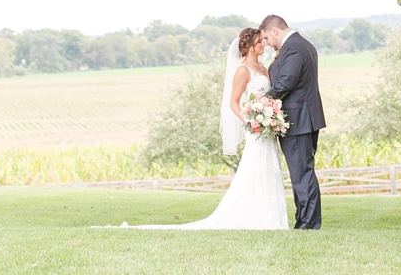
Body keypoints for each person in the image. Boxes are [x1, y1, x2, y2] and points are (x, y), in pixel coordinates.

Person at [128, 27, 287, 229]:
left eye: (262, 42)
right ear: (248, 48)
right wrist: (250, 120)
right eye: (258, 43)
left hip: (267, 128)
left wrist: (271, 113)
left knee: (270, 169)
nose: (262, 45)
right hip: (255, 129)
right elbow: (233, 102)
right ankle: (254, 218)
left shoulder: (263, 68)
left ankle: (272, 219)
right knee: (255, 170)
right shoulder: (243, 70)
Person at [261, 14, 325, 230]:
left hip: (299, 120)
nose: (267, 44)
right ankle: (303, 220)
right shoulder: (302, 45)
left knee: (302, 173)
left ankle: (309, 224)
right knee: (301, 172)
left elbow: (286, 82)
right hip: (304, 118)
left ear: (274, 31)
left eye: (267, 39)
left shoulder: (295, 48)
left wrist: (261, 103)